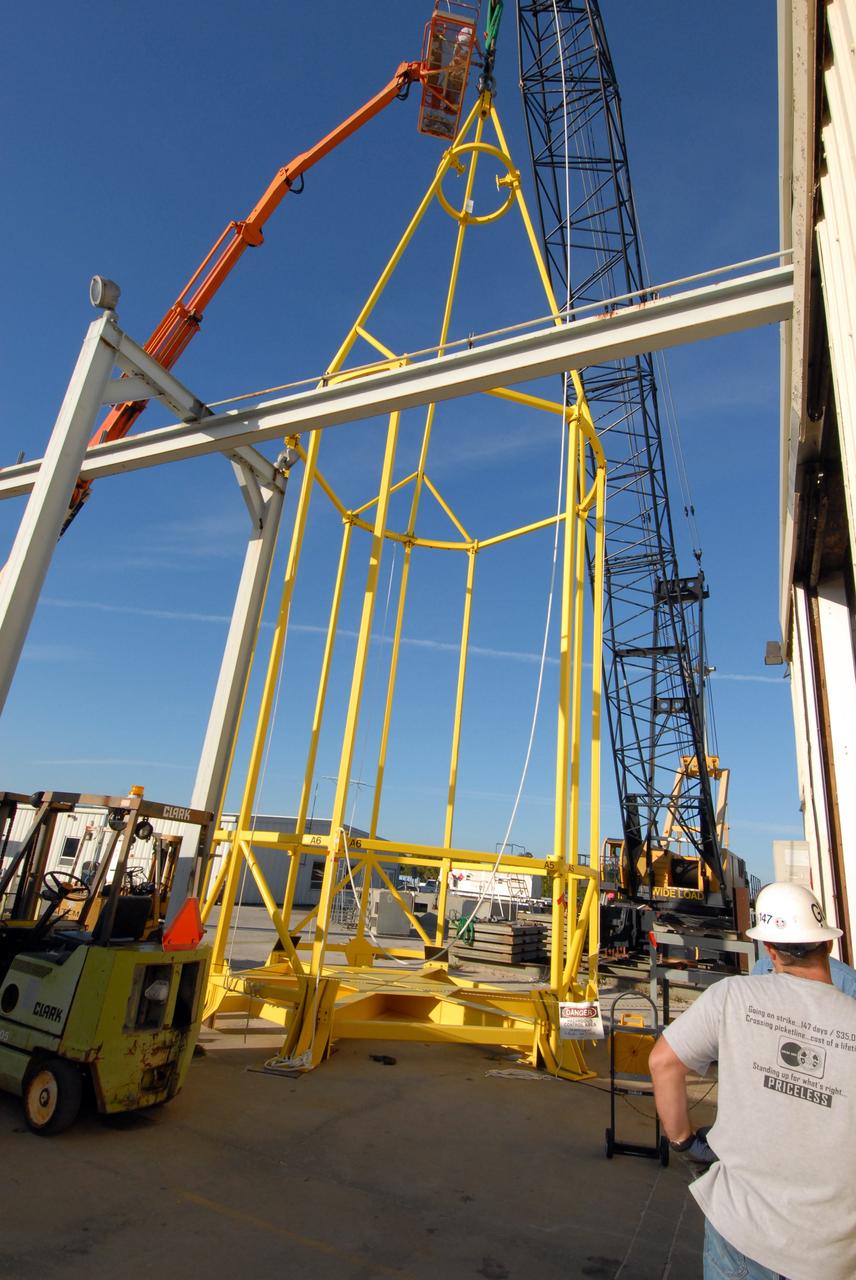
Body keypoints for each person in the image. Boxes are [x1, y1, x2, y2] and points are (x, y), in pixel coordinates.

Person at [649, 882, 856, 1280]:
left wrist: (685, 1143)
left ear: (770, 951)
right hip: (831, 1254)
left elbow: (663, 1063)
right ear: (827, 946)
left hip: (741, 1232)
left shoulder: (732, 997)